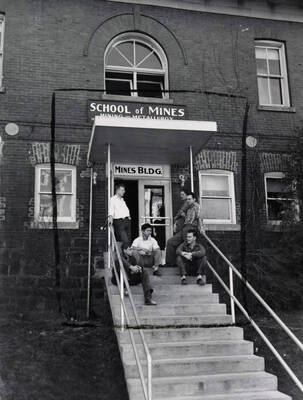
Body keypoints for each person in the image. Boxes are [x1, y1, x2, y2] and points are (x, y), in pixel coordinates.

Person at [165, 192, 204, 267]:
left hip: (191, 228)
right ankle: (170, 263)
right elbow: (187, 218)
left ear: (194, 199)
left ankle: (187, 265)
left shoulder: (196, 207)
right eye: (187, 199)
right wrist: (183, 216)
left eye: (189, 199)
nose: (188, 201)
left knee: (187, 245)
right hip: (184, 228)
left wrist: (201, 228)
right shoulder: (188, 208)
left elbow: (199, 218)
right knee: (170, 242)